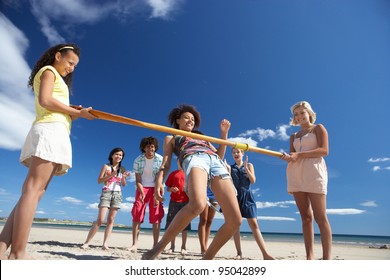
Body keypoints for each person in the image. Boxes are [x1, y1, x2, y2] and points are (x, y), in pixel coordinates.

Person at [0, 43, 95, 259]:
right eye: (70, 62)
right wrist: (75, 112)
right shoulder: (49, 71)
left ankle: (2, 249)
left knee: (35, 193)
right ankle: (18, 253)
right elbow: (45, 100)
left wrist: (74, 112)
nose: (72, 68)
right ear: (58, 56)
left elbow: (55, 106)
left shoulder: (57, 78)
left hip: (57, 130)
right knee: (33, 191)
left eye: (75, 66)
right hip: (49, 130)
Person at [142, 104, 242, 260]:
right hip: (194, 158)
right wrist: (159, 182)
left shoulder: (202, 137)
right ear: (178, 120)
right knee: (197, 205)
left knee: (236, 219)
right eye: (186, 117)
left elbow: (219, 155)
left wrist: (224, 134)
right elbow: (166, 163)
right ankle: (157, 249)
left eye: (193, 119)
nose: (190, 120)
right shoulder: (172, 137)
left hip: (216, 162)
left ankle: (207, 258)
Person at [281, 101, 332, 260]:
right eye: (296, 114)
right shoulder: (293, 136)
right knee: (305, 217)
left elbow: (324, 150)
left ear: (309, 113)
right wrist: (288, 158)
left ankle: (326, 259)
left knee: (320, 217)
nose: (299, 116)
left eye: (302, 112)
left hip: (315, 173)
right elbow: (293, 156)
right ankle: (309, 257)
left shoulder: (319, 128)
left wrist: (299, 155)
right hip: (296, 174)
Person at [227, 148, 274, 260]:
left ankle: (265, 254)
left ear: (242, 153)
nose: (236, 154)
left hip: (248, 197)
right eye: (233, 152)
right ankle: (239, 253)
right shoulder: (230, 167)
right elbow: (229, 184)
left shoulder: (250, 165)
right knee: (235, 226)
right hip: (235, 197)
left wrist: (247, 168)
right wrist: (228, 171)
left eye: (238, 152)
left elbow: (253, 180)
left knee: (254, 224)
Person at [81, 148, 130, 250]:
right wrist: (111, 175)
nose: (119, 157)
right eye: (116, 154)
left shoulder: (122, 169)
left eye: (121, 155)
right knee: (100, 220)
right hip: (106, 192)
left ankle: (105, 244)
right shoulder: (106, 166)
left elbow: (123, 185)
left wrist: (124, 177)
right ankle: (87, 242)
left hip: (117, 194)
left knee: (111, 220)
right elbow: (99, 180)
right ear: (112, 155)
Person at [130, 137, 164, 252]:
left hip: (156, 187)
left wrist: (158, 192)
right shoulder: (138, 160)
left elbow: (160, 177)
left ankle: (155, 245)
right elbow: (138, 179)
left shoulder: (160, 159)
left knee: (156, 216)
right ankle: (134, 244)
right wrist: (141, 192)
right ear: (144, 148)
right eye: (148, 146)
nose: (151, 148)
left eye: (153, 146)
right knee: (137, 214)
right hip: (142, 187)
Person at [164, 161, 190, 255]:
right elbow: (167, 188)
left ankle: (183, 247)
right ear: (178, 162)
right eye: (179, 161)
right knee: (172, 224)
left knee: (185, 226)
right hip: (174, 201)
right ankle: (172, 246)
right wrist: (172, 189)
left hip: (186, 202)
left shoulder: (189, 173)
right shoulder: (173, 173)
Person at [198, 186, 219, 256]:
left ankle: (205, 246)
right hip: (204, 192)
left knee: (209, 221)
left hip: (215, 194)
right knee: (203, 219)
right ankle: (203, 247)